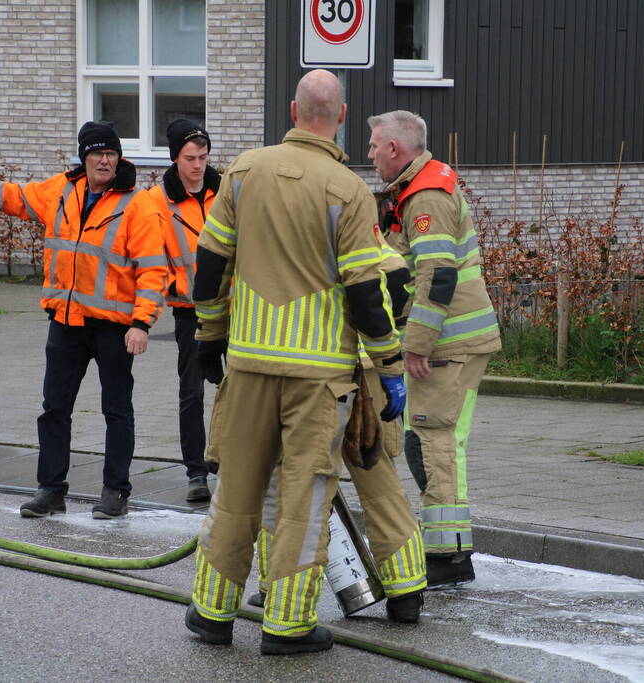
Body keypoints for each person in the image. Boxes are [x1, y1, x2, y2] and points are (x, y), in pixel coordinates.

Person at [184, 69, 406, 655]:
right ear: (342, 116)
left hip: (250, 366)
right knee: (304, 498)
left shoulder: (242, 171)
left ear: (291, 109)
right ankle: (287, 626)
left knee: (236, 490)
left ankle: (211, 614)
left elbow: (209, 266)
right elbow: (366, 290)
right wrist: (388, 364)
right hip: (317, 379)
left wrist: (210, 336)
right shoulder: (348, 190)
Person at [0, 121, 167, 520]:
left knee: (117, 410)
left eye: (111, 154)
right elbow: (11, 196)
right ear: (85, 157)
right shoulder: (61, 190)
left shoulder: (138, 203)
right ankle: (50, 490)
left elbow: (152, 269)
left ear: (119, 158)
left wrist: (141, 324)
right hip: (66, 322)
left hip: (114, 326)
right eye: (97, 154)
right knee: (54, 408)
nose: (105, 160)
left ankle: (115, 492)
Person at [247, 244, 427, 623]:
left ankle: (275, 588)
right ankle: (406, 590)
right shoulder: (368, 238)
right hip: (367, 373)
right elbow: (395, 284)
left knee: (289, 484)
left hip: (310, 380)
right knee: (379, 481)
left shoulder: (287, 238)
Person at [366, 110, 502, 587]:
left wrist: (417, 345)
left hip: (446, 344)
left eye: (373, 145)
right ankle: (449, 553)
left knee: (430, 440)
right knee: (439, 441)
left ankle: (445, 559)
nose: (369, 153)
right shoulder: (418, 189)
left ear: (395, 149)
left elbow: (437, 274)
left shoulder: (425, 196)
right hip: (453, 340)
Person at [146, 118, 220, 503]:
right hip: (188, 311)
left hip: (231, 309)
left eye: (203, 157)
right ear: (175, 159)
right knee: (191, 394)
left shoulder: (226, 193)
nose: (198, 165)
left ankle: (229, 461)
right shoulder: (157, 202)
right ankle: (196, 473)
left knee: (238, 390)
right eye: (190, 158)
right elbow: (152, 260)